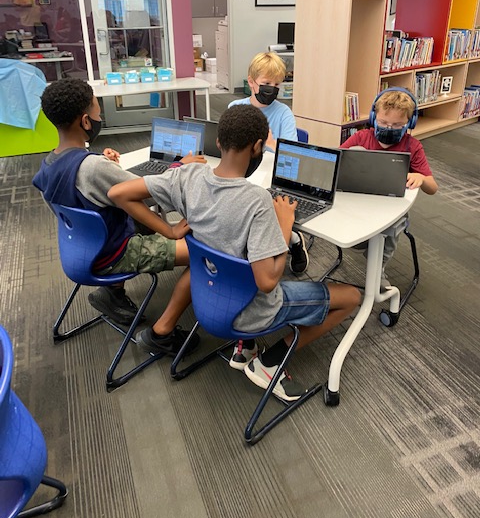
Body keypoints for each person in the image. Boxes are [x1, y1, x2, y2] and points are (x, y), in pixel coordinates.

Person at [108, 105, 361, 401]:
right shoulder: (257, 201)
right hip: (248, 311)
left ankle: (246, 347)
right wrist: (283, 227)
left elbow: (118, 194)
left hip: (206, 298)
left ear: (218, 142)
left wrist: (170, 231)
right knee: (352, 297)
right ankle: (270, 362)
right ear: (257, 146)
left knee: (233, 256)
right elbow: (267, 282)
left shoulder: (187, 175)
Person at [32, 78, 205, 355]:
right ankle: (163, 333)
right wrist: (178, 166)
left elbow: (83, 189)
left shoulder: (49, 165)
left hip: (81, 250)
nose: (100, 118)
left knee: (136, 217)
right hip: (113, 254)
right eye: (98, 113)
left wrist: (100, 160)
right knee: (202, 252)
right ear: (86, 121)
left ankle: (112, 294)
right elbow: (150, 192)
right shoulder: (92, 168)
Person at [340, 87, 438, 288]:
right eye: (383, 122)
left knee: (391, 229)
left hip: (391, 206)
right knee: (354, 152)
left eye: (397, 125)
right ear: (374, 118)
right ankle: (366, 244)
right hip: (360, 200)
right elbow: (335, 161)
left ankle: (379, 266)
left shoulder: (412, 146)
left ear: (410, 123)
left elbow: (432, 188)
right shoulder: (361, 137)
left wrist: (420, 177)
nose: (389, 128)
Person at [229, 52, 308, 275]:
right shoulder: (236, 107)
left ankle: (293, 240)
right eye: (266, 83)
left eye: (276, 85)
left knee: (259, 207)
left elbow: (293, 155)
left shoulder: (283, 113)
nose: (271, 89)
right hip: (243, 173)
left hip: (272, 176)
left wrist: (271, 143)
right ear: (251, 82)